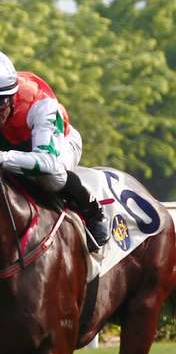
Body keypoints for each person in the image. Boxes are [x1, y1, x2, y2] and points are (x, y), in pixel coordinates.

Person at [0, 51, 109, 249]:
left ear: (12, 95)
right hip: (11, 147)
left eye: (0, 102)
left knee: (49, 176)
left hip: (58, 147)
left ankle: (93, 211)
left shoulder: (39, 103)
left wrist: (3, 158)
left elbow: (47, 162)